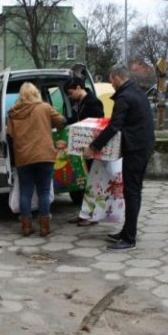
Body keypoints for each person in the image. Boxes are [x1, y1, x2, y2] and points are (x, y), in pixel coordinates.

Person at [87, 65, 155, 251]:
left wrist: (93, 147)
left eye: (111, 80)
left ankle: (129, 238)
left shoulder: (124, 97)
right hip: (143, 145)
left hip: (136, 149)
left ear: (117, 78)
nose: (111, 84)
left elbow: (114, 127)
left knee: (132, 192)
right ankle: (126, 231)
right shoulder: (136, 91)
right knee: (134, 191)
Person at [6, 81, 65, 237]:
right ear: (35, 93)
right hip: (44, 155)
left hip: (23, 157)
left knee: (25, 192)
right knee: (44, 192)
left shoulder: (13, 113)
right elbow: (62, 121)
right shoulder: (45, 107)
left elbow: (10, 135)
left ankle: (26, 227)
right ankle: (45, 228)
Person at [63, 76, 107, 226]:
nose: (69, 96)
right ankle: (84, 213)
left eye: (70, 93)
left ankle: (92, 215)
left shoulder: (94, 103)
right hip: (82, 148)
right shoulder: (78, 102)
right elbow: (74, 120)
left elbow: (97, 126)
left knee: (92, 182)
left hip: (92, 149)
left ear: (78, 88)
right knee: (84, 182)